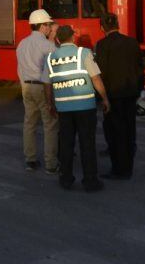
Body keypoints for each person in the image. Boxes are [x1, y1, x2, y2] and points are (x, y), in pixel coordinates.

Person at [43, 25, 110, 192]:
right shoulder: (84, 53)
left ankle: (66, 179)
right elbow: (96, 79)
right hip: (85, 107)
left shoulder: (50, 58)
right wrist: (105, 99)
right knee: (87, 143)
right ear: (73, 37)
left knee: (66, 144)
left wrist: (50, 104)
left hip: (63, 108)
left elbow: (47, 85)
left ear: (57, 39)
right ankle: (90, 181)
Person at [94, 12, 144, 179]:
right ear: (118, 25)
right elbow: (139, 68)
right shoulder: (132, 42)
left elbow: (101, 72)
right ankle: (128, 166)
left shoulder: (102, 45)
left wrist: (102, 96)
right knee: (129, 130)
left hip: (112, 96)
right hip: (130, 94)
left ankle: (118, 169)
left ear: (102, 28)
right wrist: (139, 90)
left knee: (114, 133)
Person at [16, 9, 59, 173]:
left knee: (29, 124)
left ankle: (30, 160)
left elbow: (19, 69)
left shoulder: (22, 44)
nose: (49, 27)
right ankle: (51, 164)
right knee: (50, 125)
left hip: (27, 86)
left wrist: (23, 86)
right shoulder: (48, 46)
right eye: (48, 25)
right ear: (42, 26)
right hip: (43, 87)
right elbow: (54, 70)